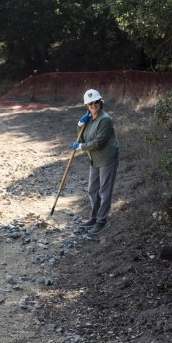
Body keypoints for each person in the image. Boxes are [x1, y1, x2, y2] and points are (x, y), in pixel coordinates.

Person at [71, 88, 120, 235]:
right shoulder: (89, 120)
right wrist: (80, 124)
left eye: (96, 102)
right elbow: (82, 137)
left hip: (107, 158)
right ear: (86, 106)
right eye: (90, 103)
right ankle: (94, 217)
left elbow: (98, 142)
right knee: (92, 190)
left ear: (100, 102)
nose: (93, 105)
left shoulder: (105, 120)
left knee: (104, 192)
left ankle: (102, 221)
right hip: (95, 159)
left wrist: (81, 147)